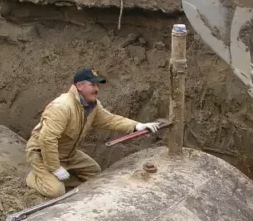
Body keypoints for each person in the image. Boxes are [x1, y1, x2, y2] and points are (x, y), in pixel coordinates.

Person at [25, 69, 163, 198]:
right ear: (79, 86)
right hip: (41, 153)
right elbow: (47, 140)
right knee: (56, 191)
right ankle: (34, 177)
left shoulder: (92, 106)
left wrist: (137, 126)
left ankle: (59, 177)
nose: (96, 89)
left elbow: (110, 120)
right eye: (92, 85)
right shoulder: (62, 107)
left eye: (97, 86)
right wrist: (55, 168)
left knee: (95, 173)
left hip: (67, 152)